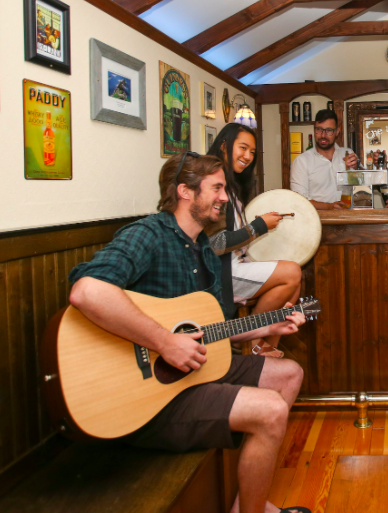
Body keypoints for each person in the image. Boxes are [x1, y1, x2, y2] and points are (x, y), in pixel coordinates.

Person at [68, 152, 311, 513]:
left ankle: (249, 505)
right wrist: (164, 341)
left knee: (289, 373)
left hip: (193, 372)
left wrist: (265, 326)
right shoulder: (149, 234)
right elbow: (86, 291)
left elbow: (208, 332)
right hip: (149, 396)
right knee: (270, 410)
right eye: (216, 188)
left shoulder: (202, 249)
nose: (225, 197)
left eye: (225, 188)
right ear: (185, 191)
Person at [206, 123, 302, 358]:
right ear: (224, 146)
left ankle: (266, 346)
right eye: (243, 148)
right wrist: (259, 227)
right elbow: (214, 245)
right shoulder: (213, 186)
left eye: (252, 152)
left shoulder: (232, 187)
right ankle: (251, 339)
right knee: (291, 272)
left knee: (295, 283)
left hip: (237, 264)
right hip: (220, 272)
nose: (248, 156)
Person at [290, 109, 359, 210]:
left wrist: (357, 168)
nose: (323, 135)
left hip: (348, 219)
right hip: (318, 221)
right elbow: (299, 200)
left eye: (329, 131)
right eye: (319, 129)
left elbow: (361, 188)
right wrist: (330, 206)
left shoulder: (348, 153)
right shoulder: (301, 161)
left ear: (337, 132)